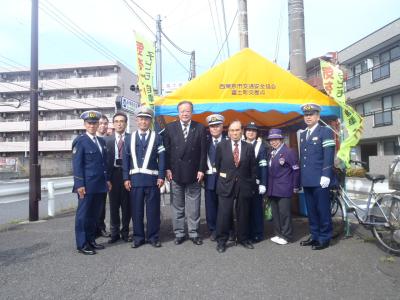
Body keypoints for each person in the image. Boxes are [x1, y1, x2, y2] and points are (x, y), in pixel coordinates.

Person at [163, 100, 207, 245]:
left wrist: (201, 169)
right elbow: (167, 151)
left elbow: (203, 152)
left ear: (192, 112)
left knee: (194, 206)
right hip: (175, 173)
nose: (185, 113)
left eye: (187, 111)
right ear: (178, 112)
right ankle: (179, 233)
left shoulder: (200, 127)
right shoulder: (170, 128)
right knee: (177, 206)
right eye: (182, 111)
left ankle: (194, 233)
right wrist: (167, 168)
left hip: (194, 173)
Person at [123, 106, 165, 248]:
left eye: (146, 119)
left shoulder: (158, 137)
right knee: (136, 210)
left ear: (150, 121)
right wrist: (125, 178)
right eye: (141, 119)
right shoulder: (129, 138)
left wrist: (161, 176)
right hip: (134, 180)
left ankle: (153, 237)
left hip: (153, 180)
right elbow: (125, 159)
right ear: (137, 120)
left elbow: (162, 157)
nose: (143, 122)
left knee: (153, 211)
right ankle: (138, 237)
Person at [215, 120, 257, 253]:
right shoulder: (221, 146)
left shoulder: (249, 147)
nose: (235, 133)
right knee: (224, 214)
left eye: (237, 130)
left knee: (243, 213)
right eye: (232, 130)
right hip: (226, 185)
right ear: (228, 132)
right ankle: (222, 240)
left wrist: (250, 183)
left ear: (241, 131)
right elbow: (218, 165)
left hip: (243, 185)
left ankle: (243, 239)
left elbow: (253, 168)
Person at [72, 110, 111, 255]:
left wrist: (107, 180)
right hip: (86, 186)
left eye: (95, 123)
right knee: (83, 216)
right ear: (85, 124)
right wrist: (79, 185)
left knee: (95, 215)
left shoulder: (101, 141)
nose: (93, 126)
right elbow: (77, 165)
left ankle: (91, 240)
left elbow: (103, 164)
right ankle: (82, 244)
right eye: (90, 123)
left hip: (100, 185)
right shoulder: (80, 141)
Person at [299, 103, 336, 250]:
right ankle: (314, 236)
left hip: (321, 179)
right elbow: (304, 159)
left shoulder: (325, 131)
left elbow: (329, 154)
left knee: (323, 210)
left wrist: (326, 174)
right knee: (312, 211)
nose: (308, 117)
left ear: (318, 116)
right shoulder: (303, 134)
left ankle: (325, 238)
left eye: (311, 114)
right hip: (308, 179)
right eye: (306, 115)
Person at [266, 128, 300, 245]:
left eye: (276, 139)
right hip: (273, 188)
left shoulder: (289, 152)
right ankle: (278, 233)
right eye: (271, 140)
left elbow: (296, 170)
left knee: (284, 213)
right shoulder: (271, 152)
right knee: (275, 213)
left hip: (284, 187)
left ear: (281, 139)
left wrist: (295, 186)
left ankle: (287, 236)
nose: (273, 142)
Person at [105, 112, 132, 243]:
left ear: (126, 123)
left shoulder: (132, 138)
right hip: (113, 174)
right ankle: (114, 232)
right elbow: (104, 161)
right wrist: (106, 178)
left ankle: (125, 232)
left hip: (128, 175)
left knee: (127, 205)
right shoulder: (107, 140)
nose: (119, 123)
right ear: (113, 124)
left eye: (122, 121)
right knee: (113, 205)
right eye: (116, 121)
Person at [244, 122, 268, 243]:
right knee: (244, 209)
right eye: (248, 130)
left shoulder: (261, 146)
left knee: (256, 209)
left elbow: (263, 165)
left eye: (253, 131)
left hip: (255, 183)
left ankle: (258, 233)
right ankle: (246, 233)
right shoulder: (241, 144)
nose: (250, 132)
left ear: (256, 133)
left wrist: (263, 183)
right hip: (242, 183)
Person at [204, 114, 226, 241]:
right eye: (212, 126)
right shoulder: (205, 142)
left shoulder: (227, 141)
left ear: (222, 127)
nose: (214, 129)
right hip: (209, 180)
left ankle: (225, 229)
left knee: (224, 207)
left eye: (217, 126)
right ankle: (213, 230)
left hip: (224, 180)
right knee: (211, 208)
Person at [96, 114, 111, 238]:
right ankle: (93, 229)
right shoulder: (91, 139)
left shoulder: (109, 139)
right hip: (94, 178)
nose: (103, 126)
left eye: (105, 123)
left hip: (108, 177)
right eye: (100, 123)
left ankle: (101, 227)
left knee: (102, 205)